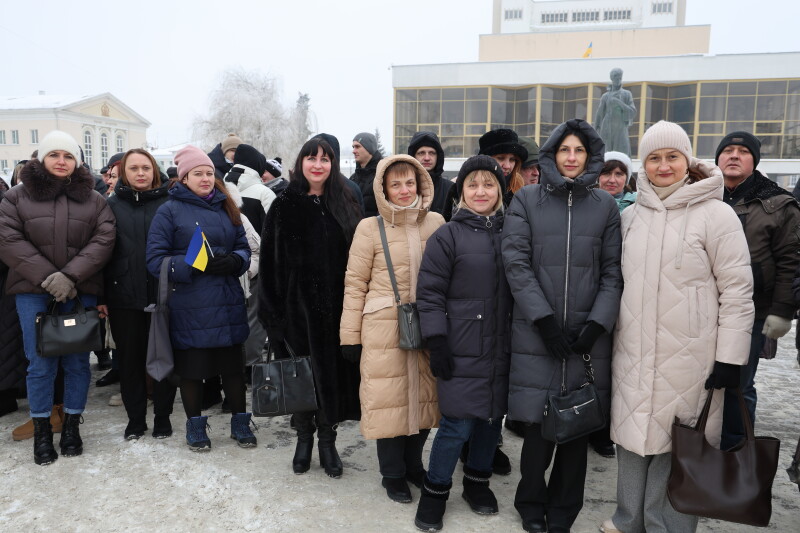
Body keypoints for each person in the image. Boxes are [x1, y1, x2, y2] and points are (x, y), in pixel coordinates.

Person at [601, 121, 754, 533]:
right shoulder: (630, 217)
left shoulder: (717, 215)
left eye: (672, 156)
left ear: (688, 161)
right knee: (632, 438)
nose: (663, 165)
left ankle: (667, 526)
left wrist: (730, 358)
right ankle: (628, 518)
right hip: (634, 348)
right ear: (643, 164)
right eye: (654, 157)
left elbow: (737, 290)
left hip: (691, 354)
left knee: (679, 443)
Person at [502, 119, 622, 533]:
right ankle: (530, 502)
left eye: (579, 150)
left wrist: (597, 324)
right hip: (538, 333)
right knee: (538, 428)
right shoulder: (527, 199)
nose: (571, 157)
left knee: (578, 425)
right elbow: (516, 264)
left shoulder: (605, 206)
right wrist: (544, 319)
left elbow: (613, 272)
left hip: (587, 339)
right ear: (552, 154)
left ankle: (563, 511)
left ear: (591, 156)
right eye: (564, 149)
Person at [0, 130, 116, 465]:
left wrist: (71, 276)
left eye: (68, 156)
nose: (61, 161)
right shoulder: (16, 197)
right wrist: (49, 278)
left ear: (77, 161)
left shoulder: (94, 199)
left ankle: (71, 428)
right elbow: (8, 239)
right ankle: (42, 431)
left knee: (77, 362)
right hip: (33, 293)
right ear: (42, 158)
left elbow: (104, 239)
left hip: (79, 291)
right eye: (54, 155)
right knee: (40, 363)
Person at [413, 155, 513, 531]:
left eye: (489, 184)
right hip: (461, 347)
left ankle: (477, 482)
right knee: (456, 425)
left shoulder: (513, 233)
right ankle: (435, 492)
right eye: (473, 184)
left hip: (503, 346)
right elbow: (430, 293)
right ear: (461, 192)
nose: (480, 191)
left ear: (500, 191)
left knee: (491, 420)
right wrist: (437, 340)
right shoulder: (448, 236)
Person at [340, 154, 444, 503]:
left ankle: (414, 464)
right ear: (383, 188)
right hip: (383, 327)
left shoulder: (436, 223)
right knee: (388, 401)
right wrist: (350, 336)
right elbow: (355, 284)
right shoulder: (369, 228)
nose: (404, 190)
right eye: (395, 184)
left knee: (425, 398)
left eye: (409, 182)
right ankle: (393, 473)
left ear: (420, 184)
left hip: (428, 323)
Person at [260, 137, 363, 478]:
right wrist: (274, 318)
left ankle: (328, 441)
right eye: (311, 158)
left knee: (331, 380)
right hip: (297, 314)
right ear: (300, 162)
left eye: (325, 159)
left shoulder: (345, 201)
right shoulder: (284, 204)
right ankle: (303, 439)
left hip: (338, 311)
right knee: (301, 379)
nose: (318, 165)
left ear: (333, 165)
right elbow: (270, 264)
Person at [146, 145, 255, 451]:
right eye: (198, 173)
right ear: (184, 178)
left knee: (233, 370)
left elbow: (244, 247)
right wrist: (192, 264)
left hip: (227, 301)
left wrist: (235, 261)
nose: (206, 178)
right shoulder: (169, 210)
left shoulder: (226, 205)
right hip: (189, 305)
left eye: (209, 173)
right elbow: (154, 260)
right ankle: (195, 427)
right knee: (192, 371)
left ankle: (240, 423)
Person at [715, 131, 800, 450]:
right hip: (703, 307)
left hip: (752, 310)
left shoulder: (778, 203)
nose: (734, 156)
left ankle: (735, 452)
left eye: (743, 151)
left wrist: (782, 311)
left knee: (738, 384)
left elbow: (791, 262)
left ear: (755, 161)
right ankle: (701, 450)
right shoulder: (703, 195)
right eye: (728, 151)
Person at [98, 149, 178, 440]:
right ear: (124, 173)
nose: (141, 173)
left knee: (164, 359)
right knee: (130, 361)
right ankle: (135, 420)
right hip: (123, 295)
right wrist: (101, 295)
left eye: (146, 167)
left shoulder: (170, 203)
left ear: (154, 170)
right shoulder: (110, 205)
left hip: (164, 294)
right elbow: (101, 254)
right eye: (134, 168)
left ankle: (163, 417)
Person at [443, 128, 526, 222]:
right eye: (500, 158)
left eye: (512, 159)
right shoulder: (458, 189)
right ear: (485, 159)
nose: (507, 166)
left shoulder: (521, 191)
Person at [407, 131, 453, 215]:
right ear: (413, 156)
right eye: (421, 153)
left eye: (432, 153)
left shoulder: (450, 189)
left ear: (438, 157)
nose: (427, 158)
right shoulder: (404, 189)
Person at [594, 68, 636, 156]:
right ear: (612, 79)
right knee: (605, 156)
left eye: (620, 78)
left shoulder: (626, 94)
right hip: (607, 129)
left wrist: (619, 103)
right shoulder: (605, 96)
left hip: (620, 129)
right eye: (616, 78)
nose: (619, 80)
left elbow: (632, 112)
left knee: (623, 155)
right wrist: (595, 129)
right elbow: (600, 113)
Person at [351, 132, 384, 217]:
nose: (353, 151)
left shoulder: (383, 176)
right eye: (353, 147)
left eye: (357, 146)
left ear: (369, 148)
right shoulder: (353, 178)